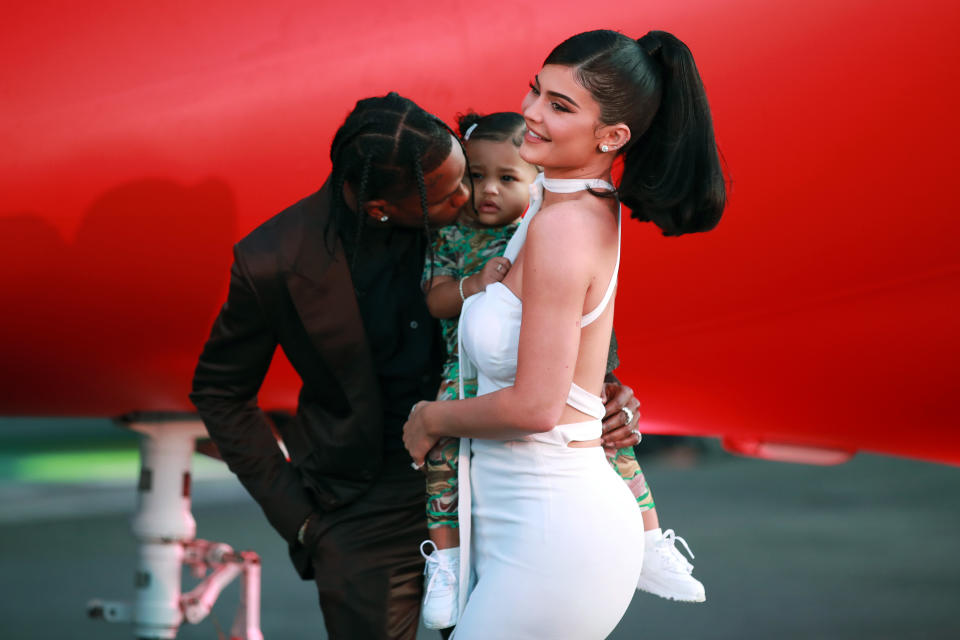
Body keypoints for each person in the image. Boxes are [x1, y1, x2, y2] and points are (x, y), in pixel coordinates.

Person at [190, 91, 641, 640]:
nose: (471, 196)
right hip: (361, 513)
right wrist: (301, 520)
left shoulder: (502, 218)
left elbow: (555, 324)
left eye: (466, 175)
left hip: (492, 483)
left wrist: (602, 397)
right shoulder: (272, 260)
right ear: (381, 208)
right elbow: (220, 392)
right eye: (450, 193)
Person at [403, 29, 725, 638]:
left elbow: (535, 405)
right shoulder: (552, 205)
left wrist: (429, 418)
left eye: (560, 105)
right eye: (535, 89)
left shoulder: (563, 227)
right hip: (518, 525)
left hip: (552, 535)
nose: (529, 111)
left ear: (612, 137)